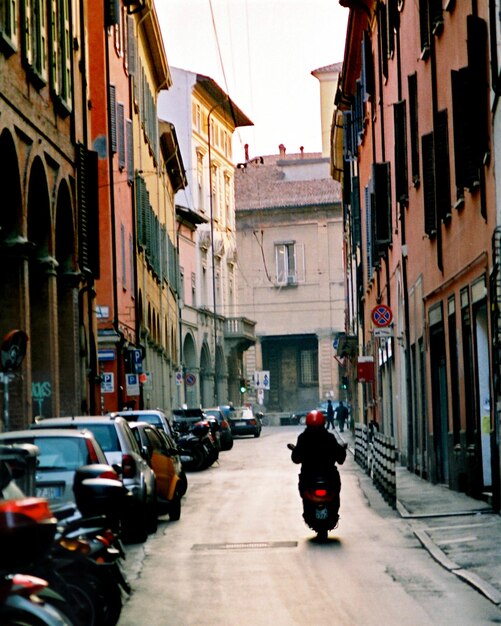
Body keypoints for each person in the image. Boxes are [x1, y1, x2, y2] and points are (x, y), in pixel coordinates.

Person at [290, 410, 347, 494]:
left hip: (308, 477)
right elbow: (340, 459)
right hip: (329, 477)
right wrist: (342, 450)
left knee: (305, 493)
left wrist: (296, 451)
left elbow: (296, 459)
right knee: (334, 494)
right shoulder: (329, 438)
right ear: (323, 423)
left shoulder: (303, 438)